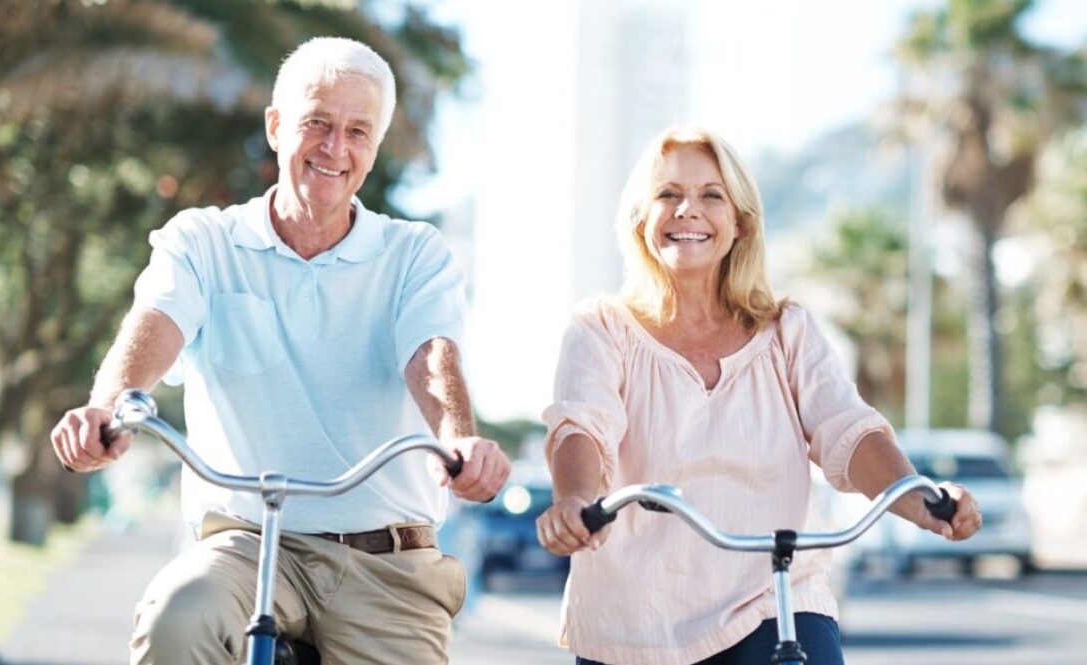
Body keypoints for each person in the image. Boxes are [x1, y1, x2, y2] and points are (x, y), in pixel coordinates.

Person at [50, 37, 511, 665]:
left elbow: (431, 353)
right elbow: (156, 321)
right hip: (245, 546)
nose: (335, 148)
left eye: (357, 131)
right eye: (317, 123)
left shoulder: (414, 254)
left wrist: (457, 438)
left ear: (374, 148)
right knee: (175, 620)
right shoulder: (205, 240)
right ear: (276, 126)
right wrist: (106, 409)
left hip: (386, 561)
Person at [534, 125, 982, 665]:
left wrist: (918, 496)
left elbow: (847, 428)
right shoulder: (601, 328)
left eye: (711, 196)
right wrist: (575, 502)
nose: (687, 210)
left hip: (774, 598)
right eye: (667, 194)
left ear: (740, 223)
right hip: (636, 621)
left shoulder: (787, 330)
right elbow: (582, 426)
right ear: (640, 220)